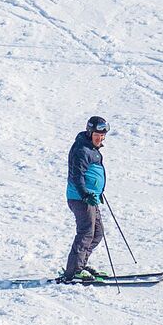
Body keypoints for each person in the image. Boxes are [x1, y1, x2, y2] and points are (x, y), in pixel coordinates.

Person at [57, 116, 110, 283]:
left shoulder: (92, 150)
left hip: (90, 198)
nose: (100, 138)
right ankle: (73, 271)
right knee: (86, 232)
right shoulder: (82, 150)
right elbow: (76, 176)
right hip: (80, 198)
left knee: (97, 233)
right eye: (97, 135)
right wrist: (86, 194)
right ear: (89, 132)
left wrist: (96, 190)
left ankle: (80, 265)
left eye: (102, 135)